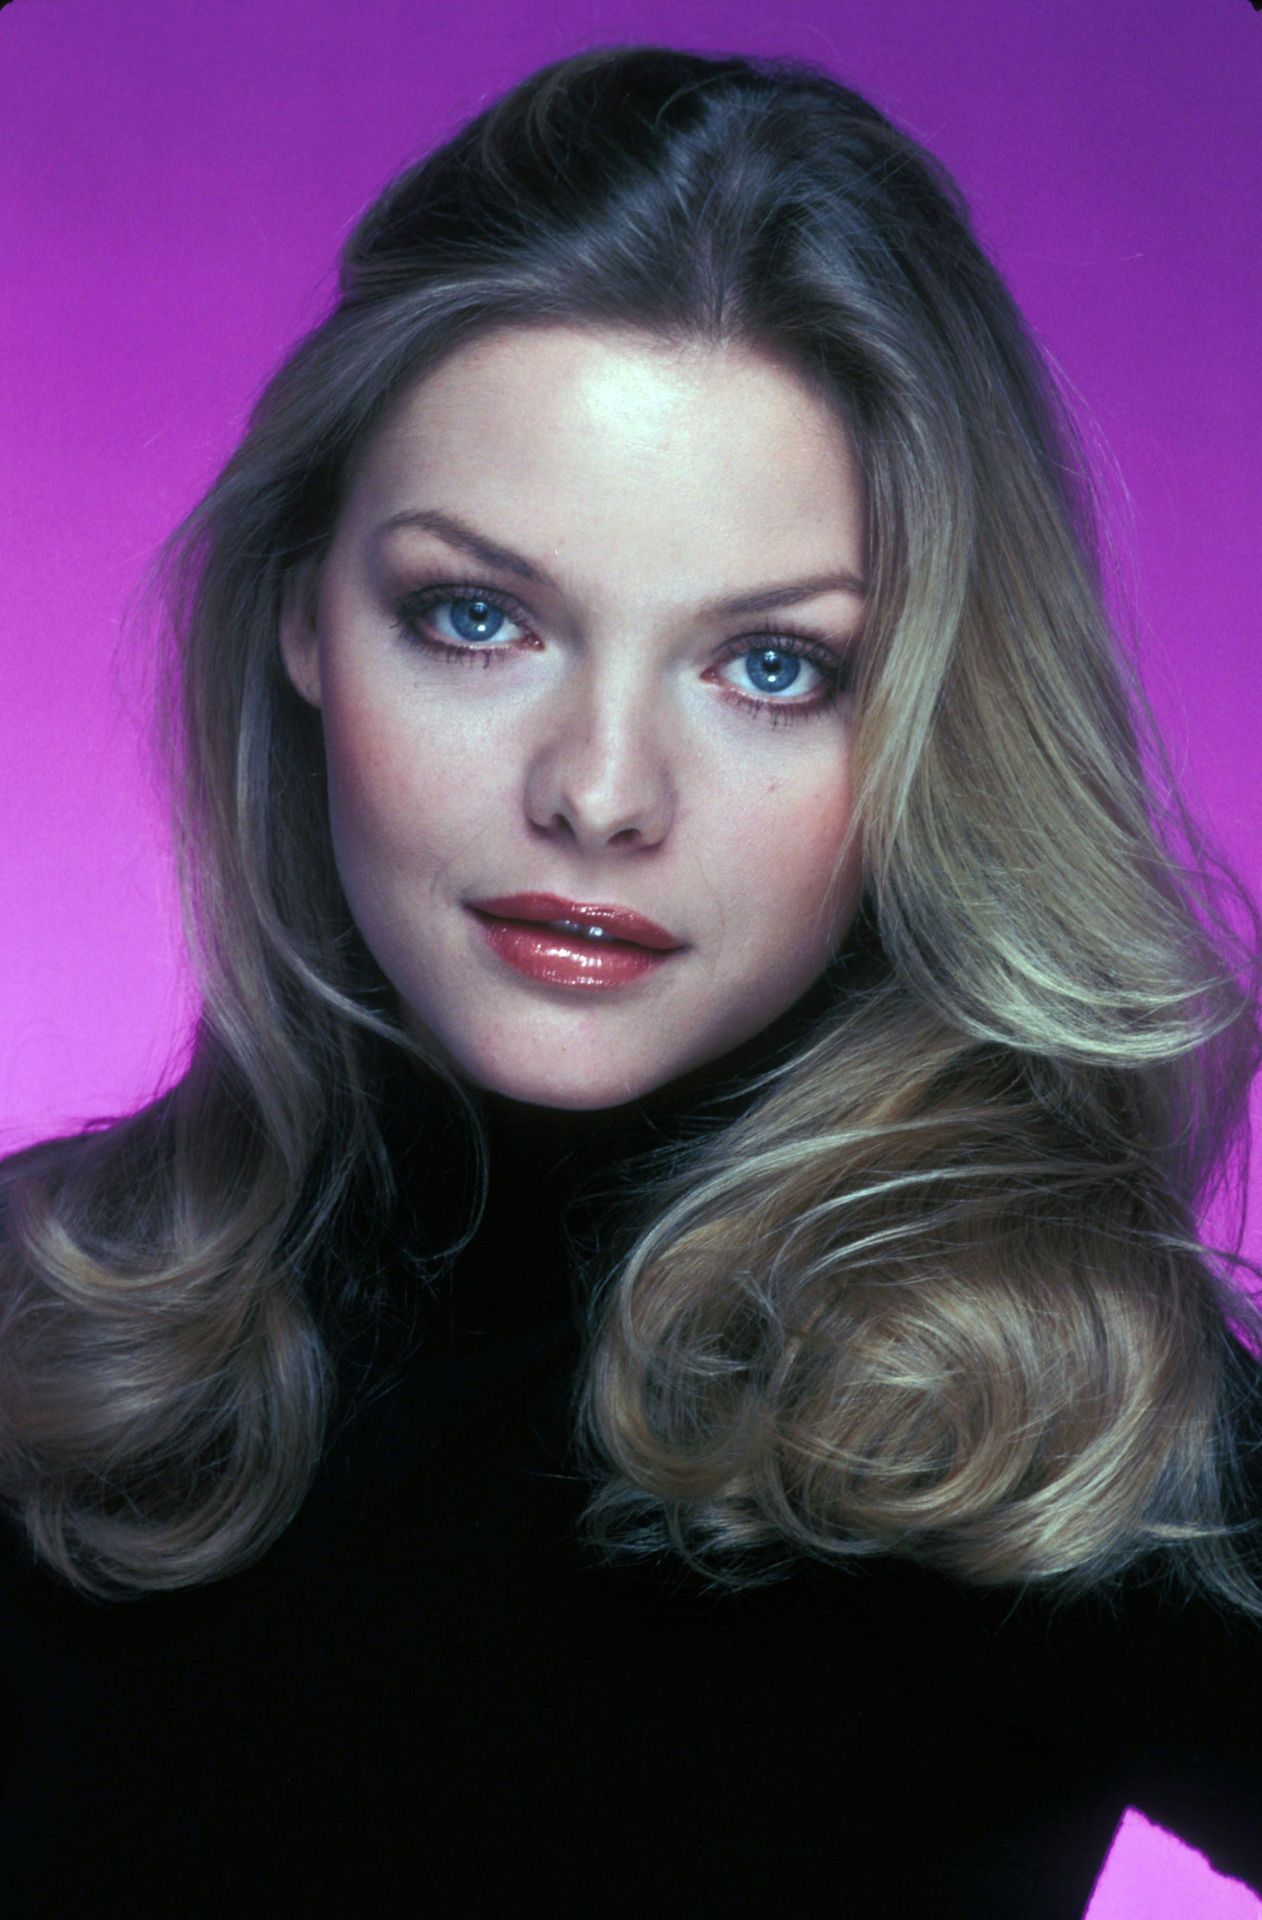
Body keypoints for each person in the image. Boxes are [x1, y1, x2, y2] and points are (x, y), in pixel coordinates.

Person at [0, 42, 1259, 1918]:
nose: (598, 794)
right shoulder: (35, 1327)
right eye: (477, 617)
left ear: (927, 722)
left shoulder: (1062, 1430)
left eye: (773, 667)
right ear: (300, 619)